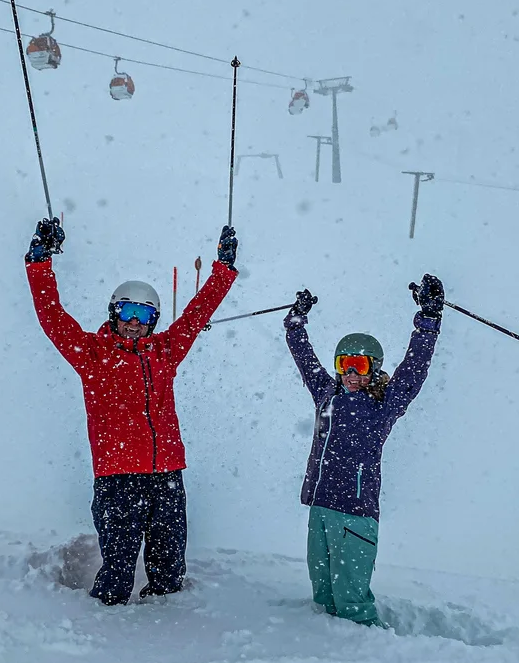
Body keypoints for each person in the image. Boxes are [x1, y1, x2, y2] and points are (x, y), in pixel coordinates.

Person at [24, 217, 239, 605]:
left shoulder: (166, 353)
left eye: (144, 315)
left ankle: (168, 622)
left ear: (154, 320)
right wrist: (40, 264)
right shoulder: (92, 355)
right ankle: (107, 629)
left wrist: (222, 270)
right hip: (118, 477)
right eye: (127, 312)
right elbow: (52, 318)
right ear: (114, 313)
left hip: (167, 475)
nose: (135, 323)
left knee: (169, 568)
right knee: (118, 569)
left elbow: (196, 315)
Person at [283, 274, 444, 625]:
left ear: (374, 369)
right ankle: (321, 648)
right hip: (320, 509)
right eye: (345, 365)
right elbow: (305, 359)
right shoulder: (326, 394)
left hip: (355, 514)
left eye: (360, 366)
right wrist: (296, 322)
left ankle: (369, 654)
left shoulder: (385, 403)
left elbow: (413, 370)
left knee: (352, 602)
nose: (351, 373)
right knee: (323, 596)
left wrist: (428, 322)